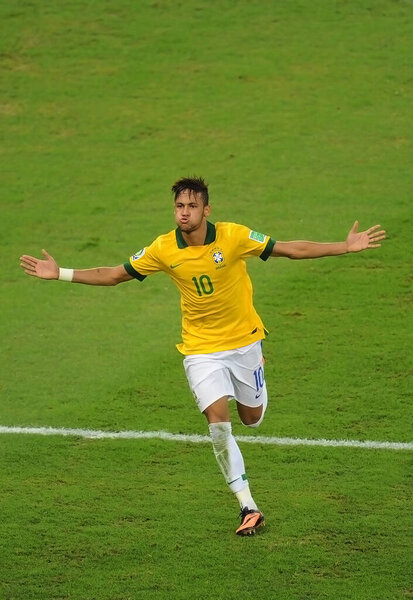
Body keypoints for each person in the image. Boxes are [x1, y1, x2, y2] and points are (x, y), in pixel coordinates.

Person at [20, 176, 386, 536]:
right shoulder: (163, 248)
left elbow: (291, 249)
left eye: (192, 206)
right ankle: (248, 506)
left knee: (252, 419)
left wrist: (345, 246)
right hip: (200, 349)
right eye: (179, 206)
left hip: (244, 343)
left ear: (206, 209)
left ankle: (258, 367)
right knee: (218, 424)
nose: (184, 213)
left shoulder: (234, 236)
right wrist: (61, 273)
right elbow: (115, 274)